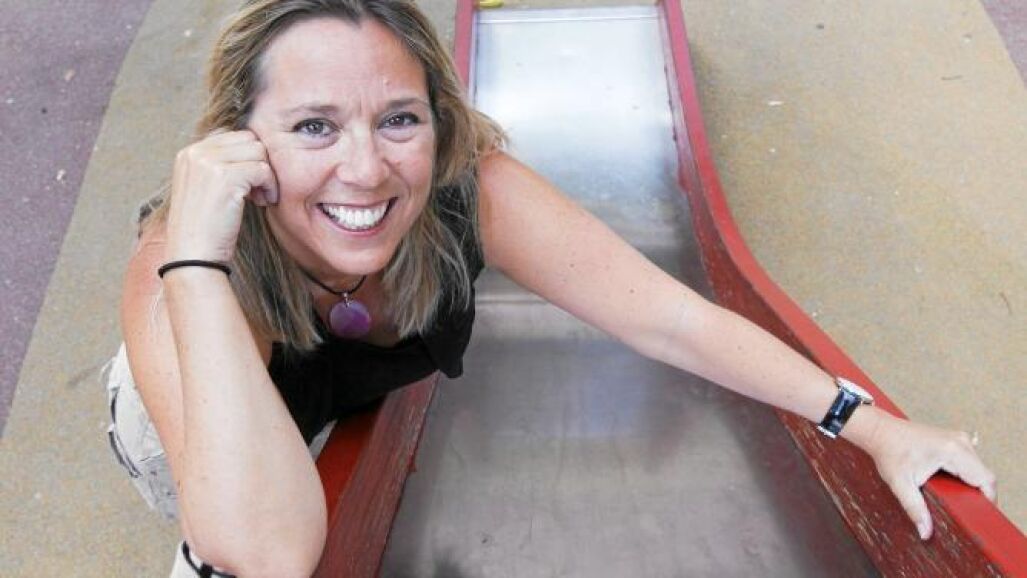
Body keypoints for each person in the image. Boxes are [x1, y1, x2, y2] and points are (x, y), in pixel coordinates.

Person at [104, 0, 997, 575]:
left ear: (439, 122)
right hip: (195, 403)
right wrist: (197, 265)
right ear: (238, 141)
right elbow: (266, 551)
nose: (366, 169)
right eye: (313, 126)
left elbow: (672, 320)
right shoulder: (183, 266)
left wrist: (869, 425)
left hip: (332, 383)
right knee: (224, 553)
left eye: (398, 119)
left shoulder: (466, 192)